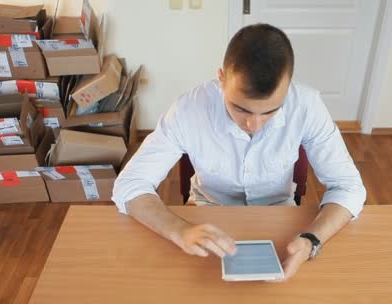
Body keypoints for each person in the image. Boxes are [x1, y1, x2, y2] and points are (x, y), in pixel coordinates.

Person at [112, 24, 366, 280]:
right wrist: (179, 230)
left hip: (279, 216)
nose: (253, 125)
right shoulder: (188, 110)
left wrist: (312, 239)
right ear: (222, 78)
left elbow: (349, 187)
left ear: (287, 87)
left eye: (269, 111)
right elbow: (130, 185)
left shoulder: (307, 106)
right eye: (241, 109)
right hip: (207, 212)